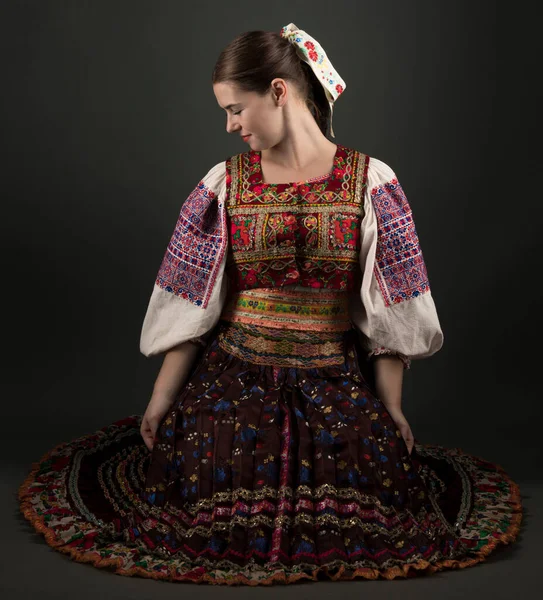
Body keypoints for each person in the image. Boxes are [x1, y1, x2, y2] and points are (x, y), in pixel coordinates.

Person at [18, 23, 522, 585]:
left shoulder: (372, 182)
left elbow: (388, 316)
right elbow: (193, 302)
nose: (230, 125)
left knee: (361, 463)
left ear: (279, 92)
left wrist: (391, 408)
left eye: (236, 108)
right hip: (237, 373)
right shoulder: (224, 184)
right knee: (218, 452)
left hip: (332, 374)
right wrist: (161, 400)